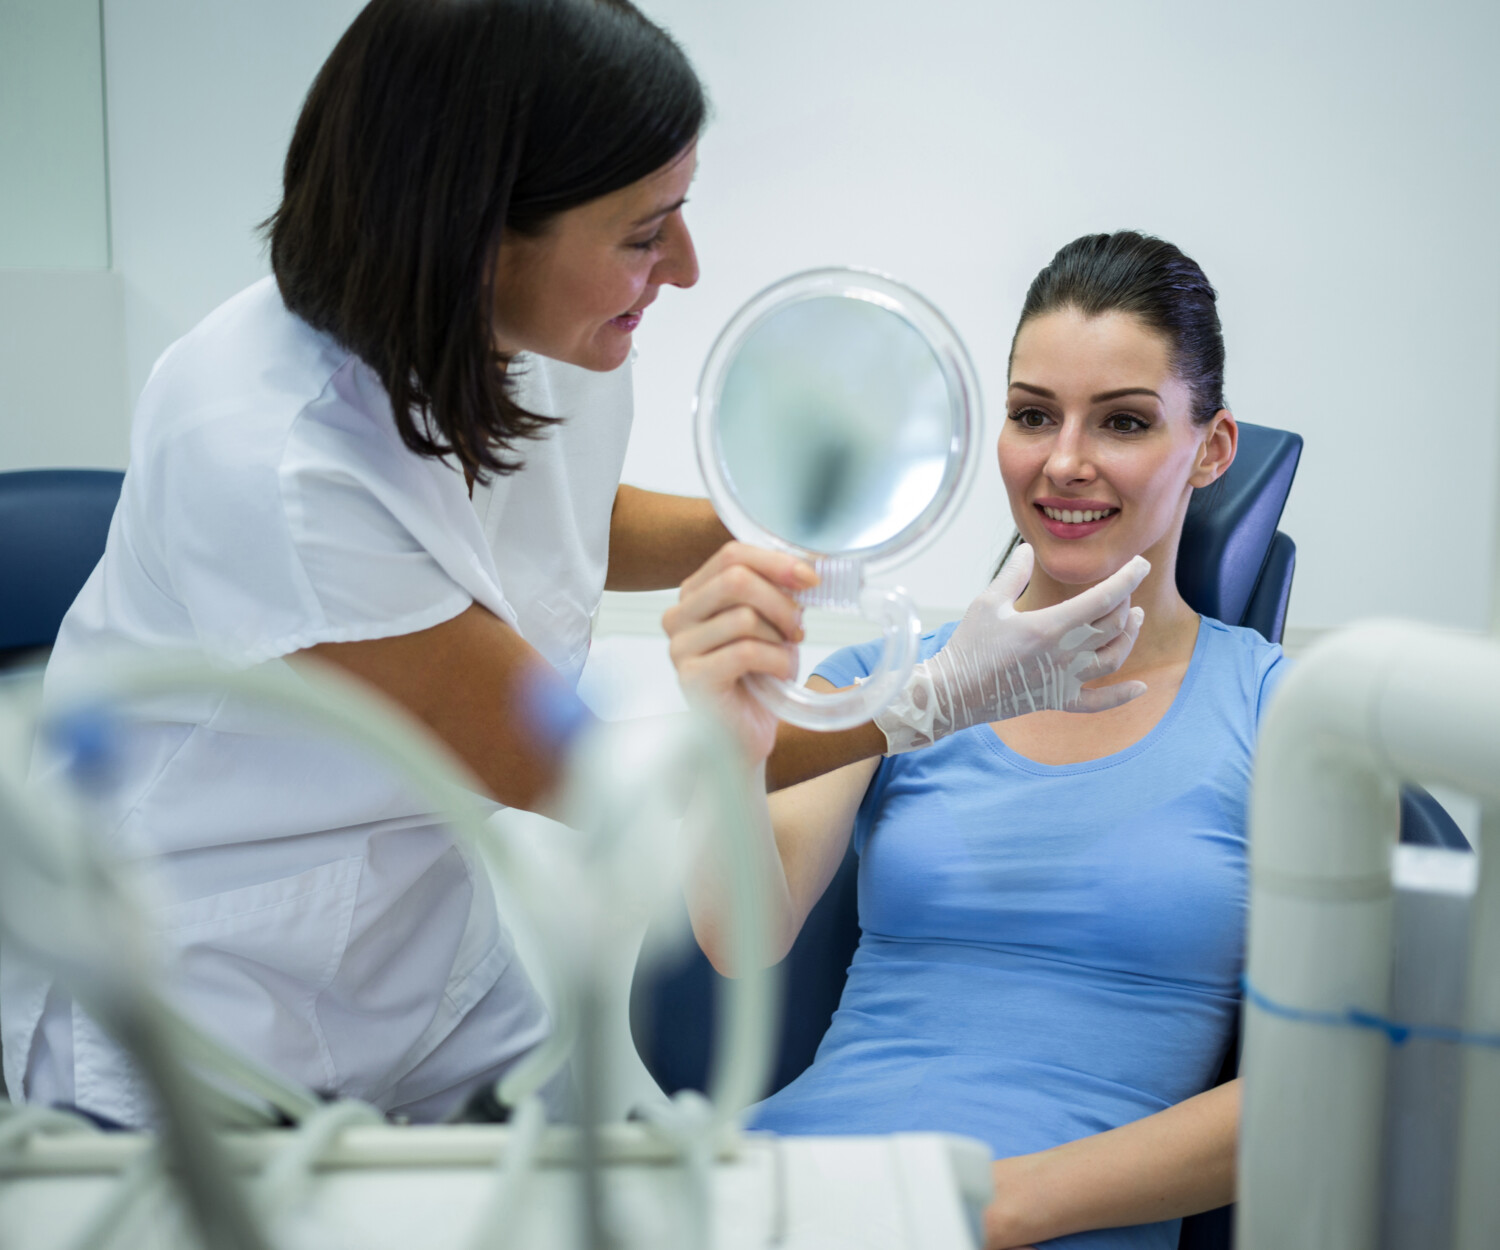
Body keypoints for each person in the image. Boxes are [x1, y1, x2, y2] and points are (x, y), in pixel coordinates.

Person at [0, 1, 1145, 1127]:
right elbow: (583, 774)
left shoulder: (535, 327)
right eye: (647, 233)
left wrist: (764, 518)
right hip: (201, 996)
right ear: (477, 235)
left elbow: (557, 520)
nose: (686, 267)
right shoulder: (274, 463)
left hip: (421, 951)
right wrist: (939, 697)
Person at [668, 231, 1289, 1249]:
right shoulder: (890, 680)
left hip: (1032, 1221)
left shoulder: (1279, 715)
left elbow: (1329, 1082)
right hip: (796, 1192)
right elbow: (743, 940)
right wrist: (728, 746)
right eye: (1033, 414)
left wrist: (989, 1203)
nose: (1065, 460)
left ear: (1212, 447)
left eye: (1124, 420)